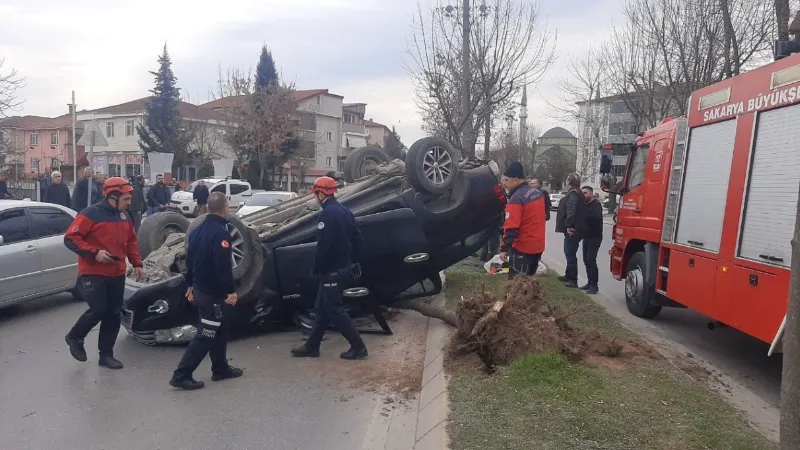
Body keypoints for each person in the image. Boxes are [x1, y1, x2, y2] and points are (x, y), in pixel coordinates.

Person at [63, 177, 144, 370]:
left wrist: (137, 263)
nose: (129, 202)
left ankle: (106, 355)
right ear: (112, 197)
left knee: (113, 313)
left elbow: (131, 242)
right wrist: (95, 253)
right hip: (93, 272)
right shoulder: (90, 214)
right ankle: (75, 337)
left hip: (116, 272)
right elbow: (70, 238)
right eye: (126, 198)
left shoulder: (125, 216)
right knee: (98, 309)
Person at [169, 192, 243, 390]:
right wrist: (231, 291)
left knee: (220, 329)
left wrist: (190, 285)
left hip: (201, 289)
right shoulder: (221, 234)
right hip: (212, 292)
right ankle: (181, 374)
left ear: (208, 208)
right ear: (225, 209)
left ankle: (220, 368)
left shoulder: (197, 230)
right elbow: (223, 267)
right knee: (206, 333)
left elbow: (190, 261)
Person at [291, 176, 368, 360]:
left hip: (332, 271)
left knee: (333, 309)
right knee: (321, 308)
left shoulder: (327, 215)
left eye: (315, 194)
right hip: (342, 268)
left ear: (320, 194)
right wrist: (356, 261)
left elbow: (323, 247)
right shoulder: (345, 211)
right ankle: (312, 346)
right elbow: (358, 239)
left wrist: (316, 268)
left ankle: (358, 347)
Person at [499, 162, 547, 279]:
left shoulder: (516, 198)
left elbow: (511, 228)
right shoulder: (537, 193)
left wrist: (504, 249)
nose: (504, 183)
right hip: (537, 246)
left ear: (515, 180)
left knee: (516, 286)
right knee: (528, 283)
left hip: (522, 248)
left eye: (506, 180)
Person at [555, 173, 588, 288]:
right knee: (569, 251)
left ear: (568, 182)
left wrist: (569, 225)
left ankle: (573, 279)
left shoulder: (573, 194)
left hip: (573, 229)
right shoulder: (577, 192)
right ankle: (568, 275)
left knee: (570, 253)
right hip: (576, 227)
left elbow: (571, 210)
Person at [581, 186, 604, 294]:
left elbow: (595, 217)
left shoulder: (596, 205)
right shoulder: (585, 205)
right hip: (586, 236)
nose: (584, 195)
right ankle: (589, 282)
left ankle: (594, 285)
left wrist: (584, 214)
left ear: (591, 193)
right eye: (582, 193)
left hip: (595, 236)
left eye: (585, 193)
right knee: (586, 260)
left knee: (591, 260)